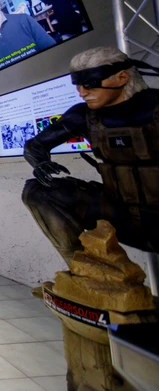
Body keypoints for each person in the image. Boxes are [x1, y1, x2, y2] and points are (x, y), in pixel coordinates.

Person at [22, 47, 159, 265]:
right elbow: (35, 145)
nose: (82, 92)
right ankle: (84, 267)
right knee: (38, 191)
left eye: (90, 83)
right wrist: (40, 163)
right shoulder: (84, 115)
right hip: (120, 213)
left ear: (122, 77)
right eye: (77, 85)